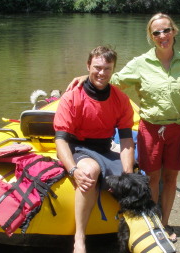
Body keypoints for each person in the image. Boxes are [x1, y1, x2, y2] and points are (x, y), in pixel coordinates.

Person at [67, 13, 180, 243]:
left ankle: (165, 223)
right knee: (152, 179)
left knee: (171, 178)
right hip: (150, 128)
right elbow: (113, 79)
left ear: (174, 31)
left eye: (166, 30)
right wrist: (87, 75)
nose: (162, 36)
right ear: (151, 36)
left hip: (177, 127)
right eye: (157, 32)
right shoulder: (141, 63)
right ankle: (152, 224)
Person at [54, 46, 135, 253]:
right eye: (97, 67)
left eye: (107, 69)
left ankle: (134, 229)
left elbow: (126, 140)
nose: (102, 73)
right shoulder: (72, 98)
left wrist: (127, 174)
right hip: (77, 146)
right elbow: (61, 140)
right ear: (88, 66)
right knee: (89, 171)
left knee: (134, 182)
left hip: (104, 147)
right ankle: (79, 238)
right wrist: (73, 170)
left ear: (113, 70)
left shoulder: (120, 99)